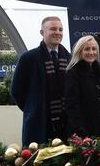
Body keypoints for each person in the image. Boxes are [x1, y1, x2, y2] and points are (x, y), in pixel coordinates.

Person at [11, 16, 70, 146]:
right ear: (42, 32)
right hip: (38, 123)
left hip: (65, 123)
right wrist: (32, 108)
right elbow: (16, 90)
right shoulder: (28, 58)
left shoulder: (69, 58)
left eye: (60, 29)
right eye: (53, 29)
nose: (58, 32)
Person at [65, 35, 100, 138]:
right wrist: (82, 132)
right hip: (83, 134)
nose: (91, 52)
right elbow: (72, 106)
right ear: (79, 51)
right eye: (87, 49)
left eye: (94, 49)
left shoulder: (99, 71)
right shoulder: (73, 73)